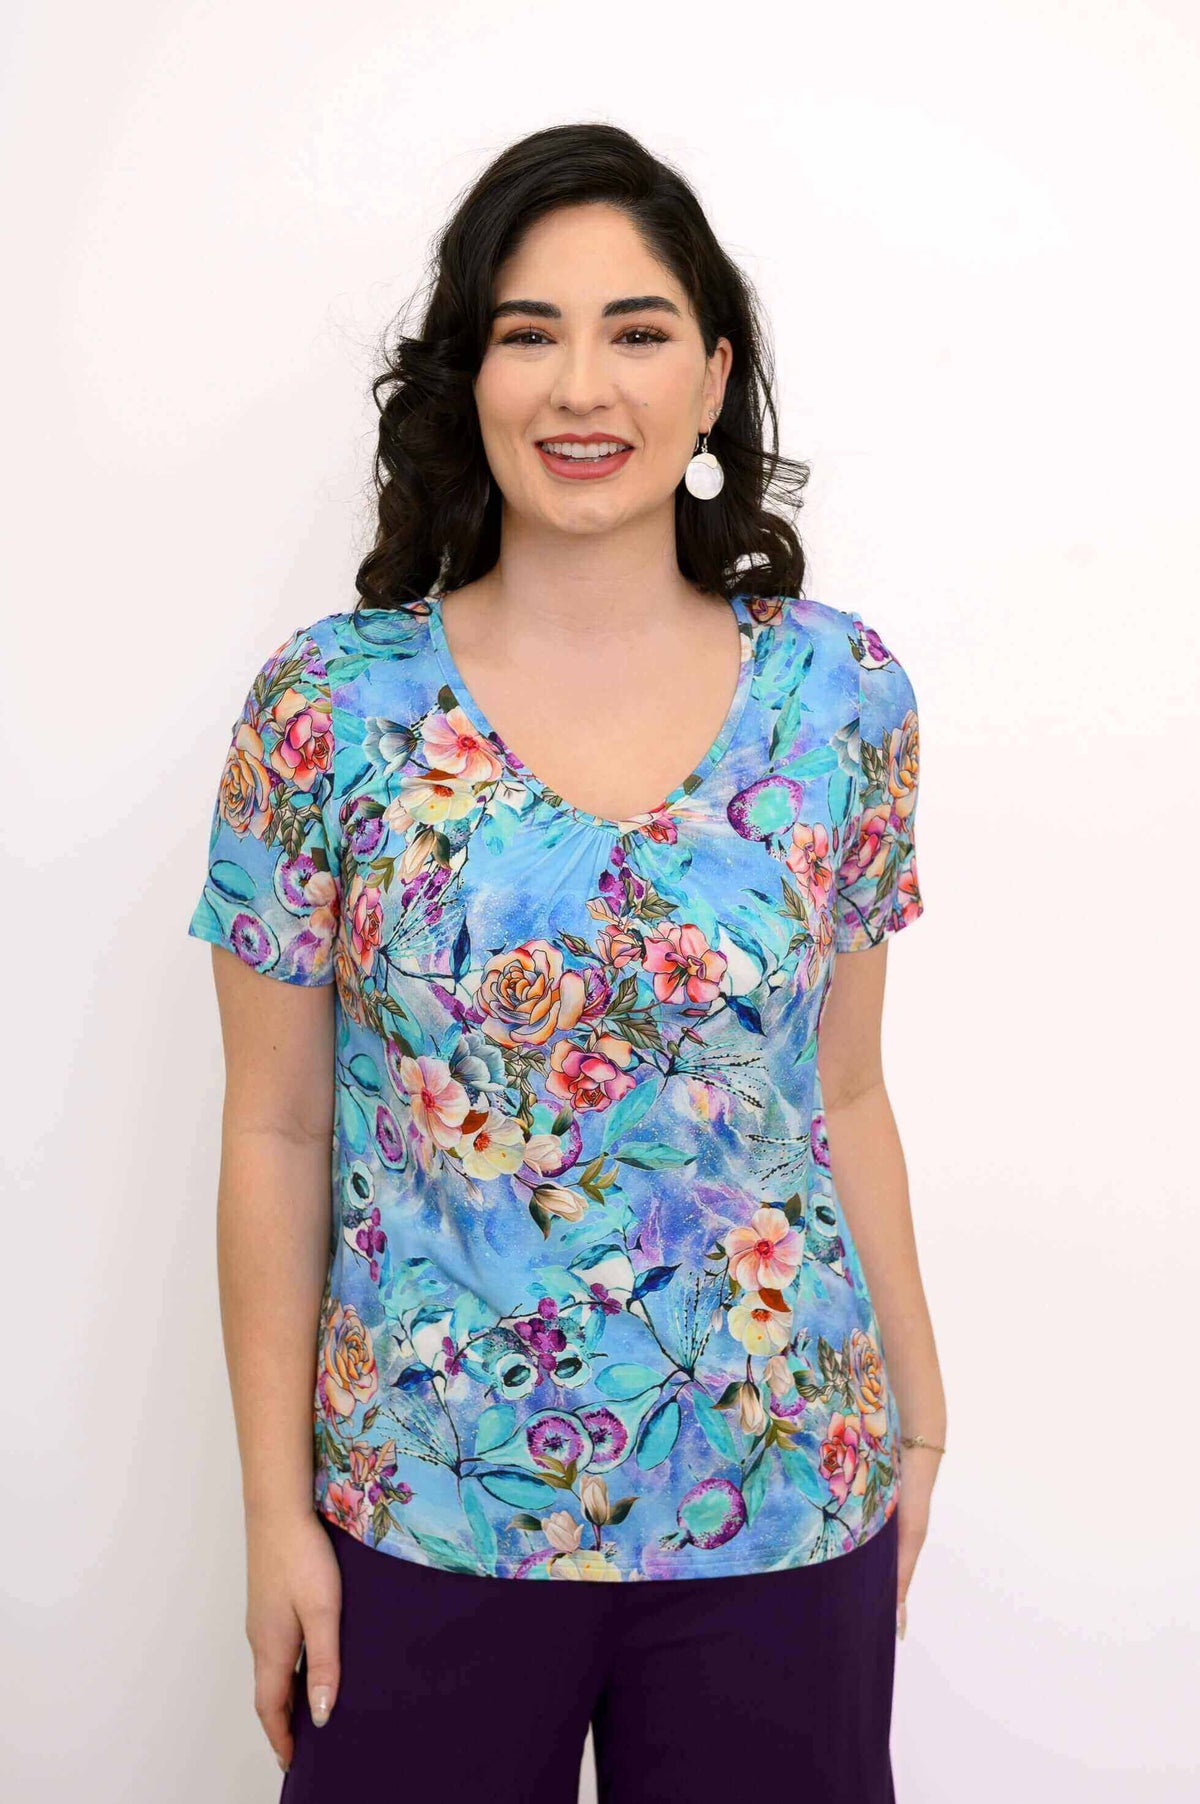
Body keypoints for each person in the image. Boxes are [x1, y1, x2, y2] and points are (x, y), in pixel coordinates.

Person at [186, 121, 947, 1803]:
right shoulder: (330, 712)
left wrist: (919, 1405)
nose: (581, 385)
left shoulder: (845, 699)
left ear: (711, 376)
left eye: (638, 328)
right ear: (468, 377)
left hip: (779, 1492)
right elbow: (276, 1130)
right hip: (420, 1513)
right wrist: (269, 1516)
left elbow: (848, 1085)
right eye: (528, 332)